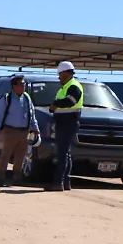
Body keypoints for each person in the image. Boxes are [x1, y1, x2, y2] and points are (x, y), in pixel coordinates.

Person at [0, 75, 39, 187]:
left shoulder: (27, 98)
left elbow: (32, 114)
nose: (24, 86)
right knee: (6, 154)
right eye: (21, 84)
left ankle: (17, 178)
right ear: (14, 86)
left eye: (24, 84)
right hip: (10, 130)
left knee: (21, 155)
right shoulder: (6, 98)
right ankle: (0, 177)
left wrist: (35, 128)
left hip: (24, 131)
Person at [47, 61, 83, 191]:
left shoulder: (73, 86)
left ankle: (58, 183)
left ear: (67, 73)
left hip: (68, 123)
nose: (59, 77)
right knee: (65, 153)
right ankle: (66, 182)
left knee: (62, 154)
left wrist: (56, 104)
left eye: (60, 74)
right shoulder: (65, 87)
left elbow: (71, 101)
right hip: (64, 123)